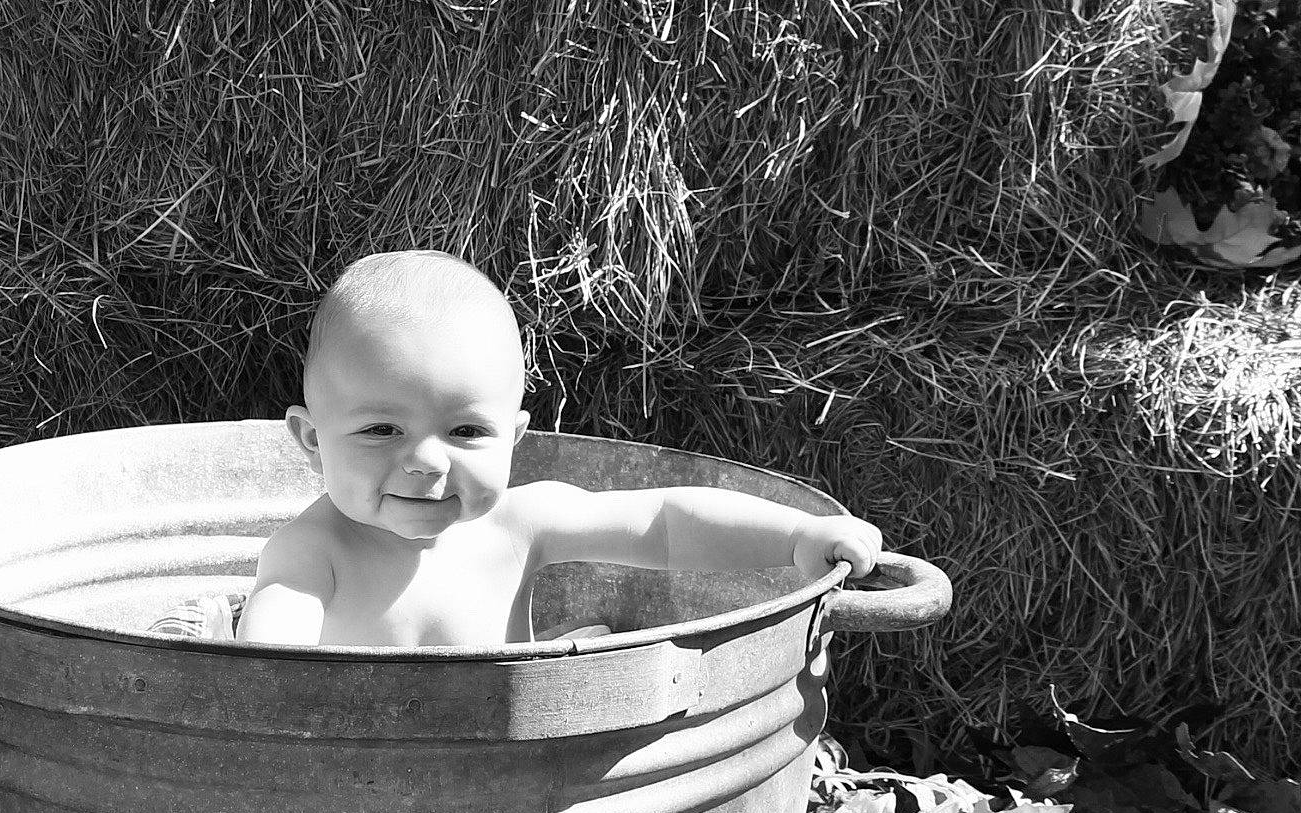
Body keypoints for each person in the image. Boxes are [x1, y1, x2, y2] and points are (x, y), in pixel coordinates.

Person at [236, 250, 885, 647]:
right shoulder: (311, 553)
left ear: (514, 439)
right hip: (358, 796)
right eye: (381, 429)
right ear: (311, 440)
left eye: (466, 432)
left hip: (509, 787)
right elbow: (264, 673)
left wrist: (798, 535)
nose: (428, 461)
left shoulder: (519, 524)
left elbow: (663, 526)